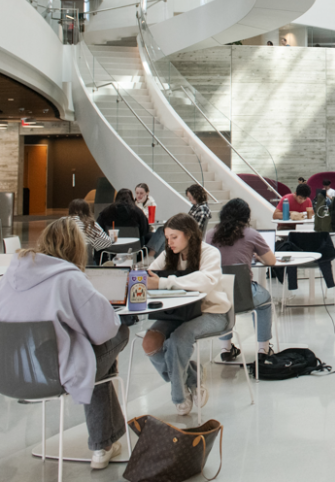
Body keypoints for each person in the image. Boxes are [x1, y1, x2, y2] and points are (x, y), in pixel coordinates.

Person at [0, 218, 129, 468]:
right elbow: (105, 329)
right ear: (76, 247)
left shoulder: (9, 275)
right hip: (54, 376)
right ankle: (102, 444)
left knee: (90, 351)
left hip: (10, 375)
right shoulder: (69, 278)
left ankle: (106, 441)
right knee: (115, 335)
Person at [144, 214, 231, 415]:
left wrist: (164, 283)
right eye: (167, 238)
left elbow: (205, 280)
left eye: (174, 237)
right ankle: (192, 377)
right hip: (179, 313)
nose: (170, 242)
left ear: (189, 235)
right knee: (150, 342)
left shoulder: (209, 253)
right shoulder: (169, 254)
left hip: (213, 312)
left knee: (178, 338)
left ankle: (179, 394)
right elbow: (150, 274)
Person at [205, 199, 276, 360]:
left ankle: (225, 349)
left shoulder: (210, 235)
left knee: (224, 305)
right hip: (243, 293)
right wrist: (256, 256)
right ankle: (263, 350)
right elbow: (271, 261)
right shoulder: (251, 234)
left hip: (217, 292)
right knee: (264, 302)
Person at [68, 198, 112, 263]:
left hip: (65, 261)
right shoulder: (90, 224)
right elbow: (106, 243)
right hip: (85, 262)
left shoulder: (62, 223)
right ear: (87, 210)